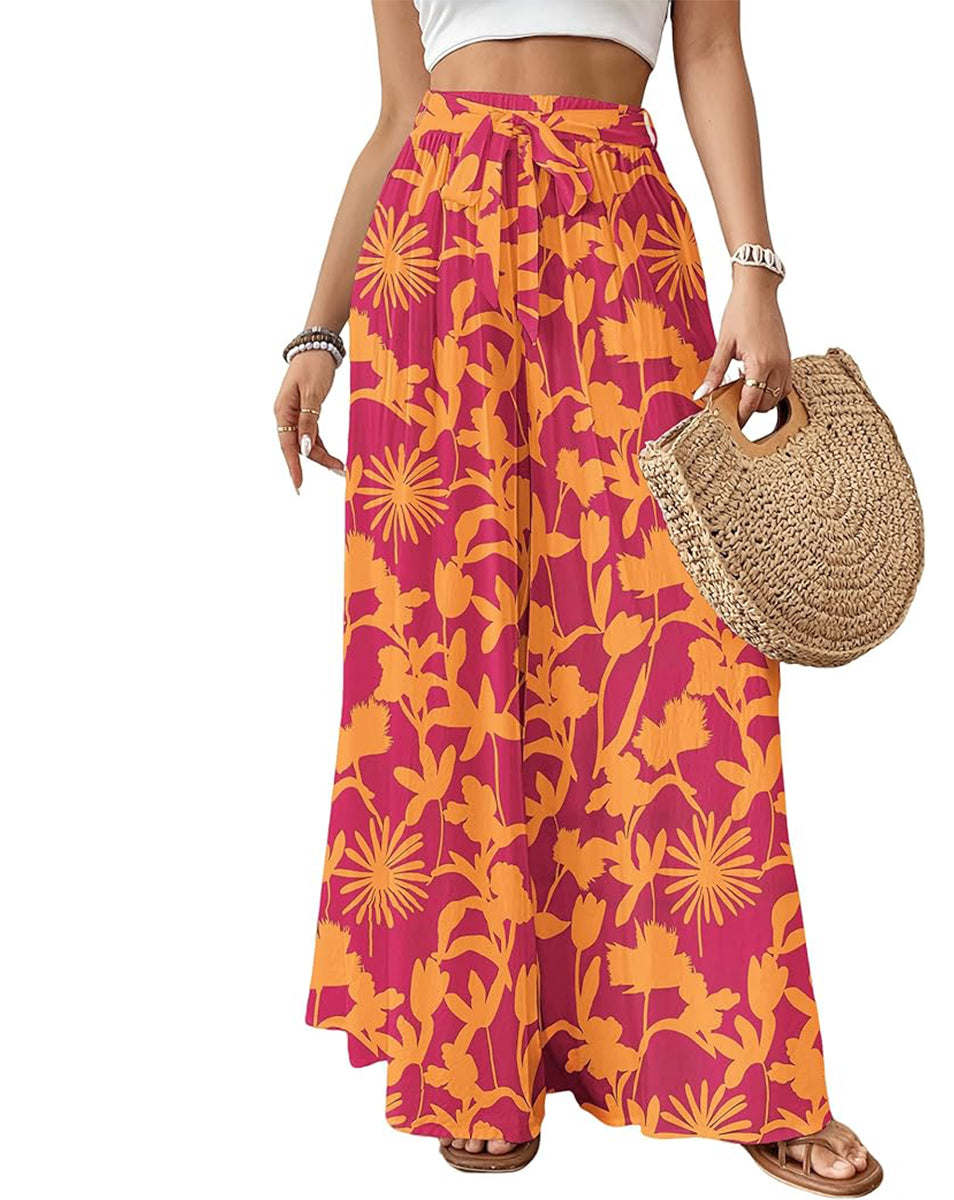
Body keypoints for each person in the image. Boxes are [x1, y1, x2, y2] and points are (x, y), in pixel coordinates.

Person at [276, 2, 881, 1193]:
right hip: (433, 255)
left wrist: (754, 270)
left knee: (683, 648)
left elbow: (710, 50)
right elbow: (400, 115)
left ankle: (750, 1067)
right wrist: (316, 335)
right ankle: (477, 1051)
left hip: (617, 234)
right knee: (450, 650)